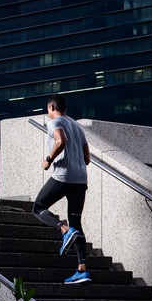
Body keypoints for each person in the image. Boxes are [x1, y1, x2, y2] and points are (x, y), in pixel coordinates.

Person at [32, 94, 91, 284]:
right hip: (80, 179)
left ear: (51, 107)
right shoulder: (76, 126)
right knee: (77, 222)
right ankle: (82, 270)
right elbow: (87, 159)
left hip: (63, 176)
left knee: (38, 208)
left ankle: (64, 230)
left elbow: (61, 140)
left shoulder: (54, 122)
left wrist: (48, 160)